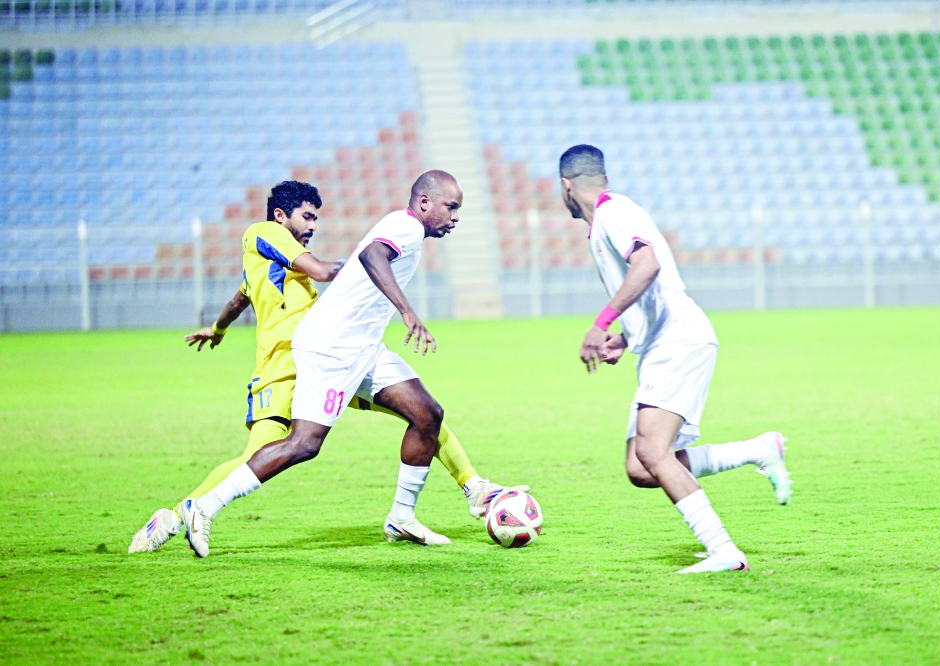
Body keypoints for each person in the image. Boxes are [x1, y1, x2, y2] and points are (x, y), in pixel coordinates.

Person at [130, 178, 522, 555]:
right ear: (281, 216)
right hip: (302, 362)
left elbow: (240, 298)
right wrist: (400, 305)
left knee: (425, 412)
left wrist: (217, 329)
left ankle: (447, 500)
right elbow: (350, 262)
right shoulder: (265, 234)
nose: (313, 226)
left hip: (356, 348)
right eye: (307, 217)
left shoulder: (281, 266)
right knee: (293, 446)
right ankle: (191, 510)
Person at [558, 145, 792, 574]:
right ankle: (759, 449)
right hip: (662, 344)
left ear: (566, 187)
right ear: (603, 179)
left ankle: (724, 550)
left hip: (679, 342)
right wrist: (624, 339)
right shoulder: (605, 221)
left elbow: (646, 266)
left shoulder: (614, 212)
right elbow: (650, 291)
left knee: (652, 449)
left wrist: (601, 321)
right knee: (642, 467)